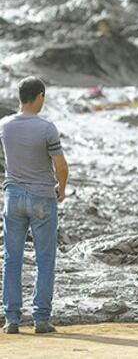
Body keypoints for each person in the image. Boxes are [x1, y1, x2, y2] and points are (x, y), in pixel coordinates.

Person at [1, 76, 69, 334]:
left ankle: (12, 320)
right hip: (42, 197)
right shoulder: (46, 128)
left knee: (12, 259)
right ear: (39, 96)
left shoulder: (4, 126)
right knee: (44, 259)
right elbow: (60, 165)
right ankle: (41, 319)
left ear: (20, 97)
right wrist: (60, 189)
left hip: (14, 197)